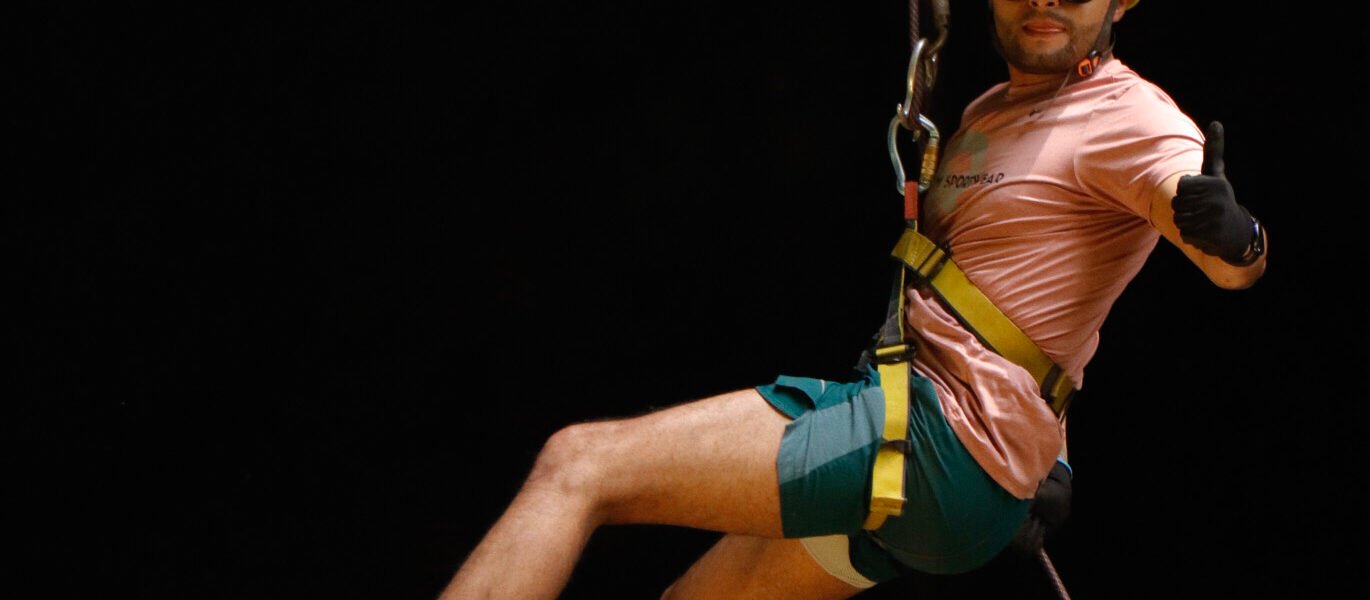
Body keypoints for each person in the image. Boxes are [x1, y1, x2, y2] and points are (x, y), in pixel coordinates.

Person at [439, 1, 1265, 598]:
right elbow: (1037, 303)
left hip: (934, 445)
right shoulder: (991, 110)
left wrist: (1235, 238)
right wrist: (1052, 457)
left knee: (578, 466)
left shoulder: (1134, 119)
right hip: (957, 466)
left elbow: (1221, 251)